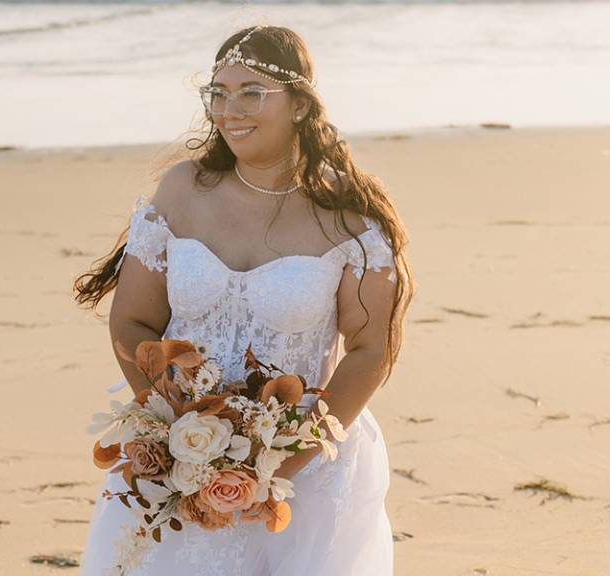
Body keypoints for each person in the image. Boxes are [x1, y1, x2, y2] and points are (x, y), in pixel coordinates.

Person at [72, 24, 415, 576]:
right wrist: (177, 434)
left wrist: (284, 462)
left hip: (306, 472)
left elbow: (371, 349)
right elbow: (132, 321)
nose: (230, 110)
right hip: (177, 468)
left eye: (252, 92)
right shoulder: (181, 192)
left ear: (300, 105)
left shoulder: (350, 217)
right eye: (219, 93)